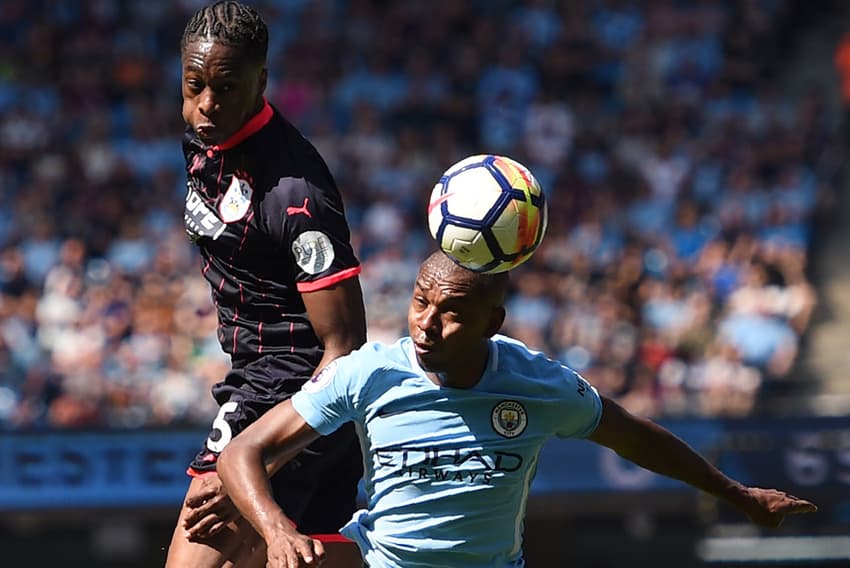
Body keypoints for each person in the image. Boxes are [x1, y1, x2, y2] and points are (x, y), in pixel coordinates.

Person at [217, 251, 817, 568]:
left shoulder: (538, 385)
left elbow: (636, 437)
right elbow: (245, 450)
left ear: (492, 323)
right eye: (420, 301)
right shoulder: (369, 372)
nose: (426, 323)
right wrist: (275, 529)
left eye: (449, 312)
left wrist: (738, 495)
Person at [165, 2, 367, 567]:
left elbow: (344, 348)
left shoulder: (296, 192)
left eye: (226, 87)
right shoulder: (208, 139)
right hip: (264, 385)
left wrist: (259, 460)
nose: (207, 103)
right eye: (194, 85)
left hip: (289, 394)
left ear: (261, 81)